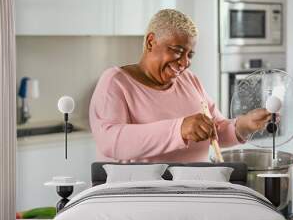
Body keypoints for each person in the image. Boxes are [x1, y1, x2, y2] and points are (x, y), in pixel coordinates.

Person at [89, 9, 271, 163]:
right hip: (140, 198)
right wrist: (178, 130)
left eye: (190, 54)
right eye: (177, 51)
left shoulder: (189, 80)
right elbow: (111, 141)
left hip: (193, 194)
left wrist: (245, 124)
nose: (185, 63)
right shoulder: (116, 82)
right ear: (151, 42)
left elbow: (216, 131)